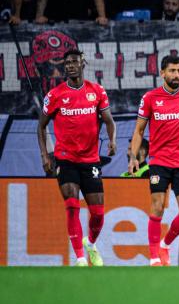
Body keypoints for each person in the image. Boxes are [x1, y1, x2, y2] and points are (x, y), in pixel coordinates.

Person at [37, 49, 117, 266]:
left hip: (90, 159)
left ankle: (90, 244)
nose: (70, 66)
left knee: (98, 214)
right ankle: (80, 257)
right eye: (67, 63)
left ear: (83, 64)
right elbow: (41, 126)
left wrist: (112, 140)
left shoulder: (96, 91)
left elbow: (109, 120)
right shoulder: (55, 95)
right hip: (65, 158)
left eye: (74, 62)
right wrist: (45, 156)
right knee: (72, 205)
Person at [128, 55, 179, 266]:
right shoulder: (150, 98)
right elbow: (139, 130)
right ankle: (154, 257)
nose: (177, 75)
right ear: (162, 73)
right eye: (172, 71)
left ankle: (165, 244)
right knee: (157, 207)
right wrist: (133, 157)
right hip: (159, 161)